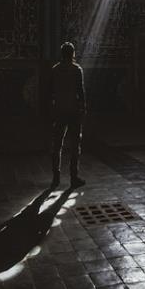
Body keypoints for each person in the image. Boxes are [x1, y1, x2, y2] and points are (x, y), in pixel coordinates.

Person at [49, 42, 86, 188]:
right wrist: (84, 108)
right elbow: (81, 91)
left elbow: (50, 91)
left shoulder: (55, 70)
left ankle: (56, 177)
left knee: (57, 144)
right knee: (75, 144)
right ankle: (73, 177)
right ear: (73, 54)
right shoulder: (77, 69)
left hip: (59, 110)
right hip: (73, 111)